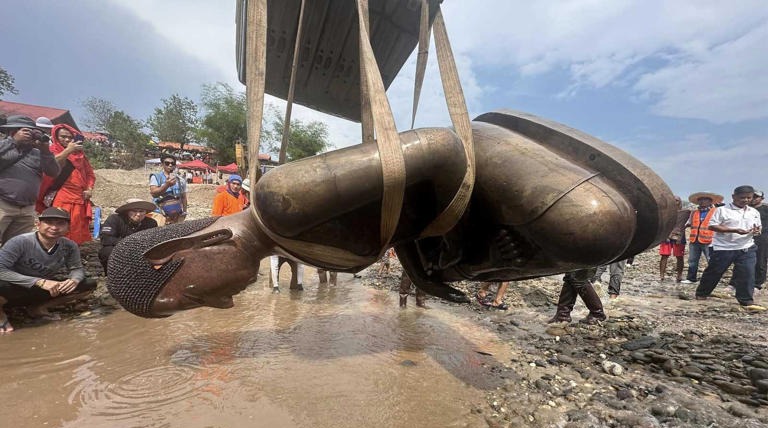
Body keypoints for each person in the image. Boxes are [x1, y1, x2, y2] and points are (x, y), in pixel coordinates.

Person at [105, 112, 676, 319]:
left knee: (592, 229)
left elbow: (439, 147)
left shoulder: (281, 200)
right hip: (464, 207)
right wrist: (436, 269)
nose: (226, 302)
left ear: (175, 253)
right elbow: (396, 225)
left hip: (486, 152)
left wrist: (466, 247)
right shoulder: (287, 241)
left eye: (199, 296)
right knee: (470, 272)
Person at [0, 208, 97, 332]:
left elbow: (76, 268)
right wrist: (39, 281)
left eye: (60, 223)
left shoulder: (69, 246)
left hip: (42, 289)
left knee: (88, 284)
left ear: (68, 227)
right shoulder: (20, 242)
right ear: (38, 224)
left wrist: (74, 279)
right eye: (49, 222)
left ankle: (38, 308)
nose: (54, 227)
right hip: (13, 287)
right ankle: (1, 315)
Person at [695, 186, 763, 310]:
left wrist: (756, 231)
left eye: (749, 197)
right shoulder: (722, 210)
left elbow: (758, 228)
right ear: (733, 196)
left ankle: (746, 300)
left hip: (746, 247)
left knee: (747, 272)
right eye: (742, 197)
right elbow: (712, 226)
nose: (746, 200)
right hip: (724, 248)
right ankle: (702, 293)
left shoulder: (754, 212)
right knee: (714, 271)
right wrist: (734, 230)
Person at [0, 115, 61, 245]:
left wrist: (45, 151)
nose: (29, 135)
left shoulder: (37, 153)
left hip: (26, 208)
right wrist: (13, 141)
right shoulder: (4, 146)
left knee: (15, 247)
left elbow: (54, 172)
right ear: (12, 131)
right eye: (24, 131)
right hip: (3, 204)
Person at [36, 124, 96, 245]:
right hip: (61, 196)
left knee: (76, 226)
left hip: (79, 197)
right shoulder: (51, 151)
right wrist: (68, 151)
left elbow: (90, 174)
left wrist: (89, 188)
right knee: (59, 225)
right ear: (56, 137)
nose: (67, 140)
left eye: (70, 137)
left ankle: (72, 251)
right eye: (63, 137)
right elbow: (50, 165)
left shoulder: (80, 155)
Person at [98, 199, 158, 274]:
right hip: (120, 249)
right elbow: (106, 239)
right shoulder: (114, 219)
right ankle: (112, 276)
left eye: (141, 211)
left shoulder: (151, 223)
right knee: (106, 251)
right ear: (127, 211)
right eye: (134, 211)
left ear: (146, 212)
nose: (138, 214)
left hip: (142, 251)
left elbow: (154, 241)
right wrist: (129, 244)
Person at [681, 192, 723, 284]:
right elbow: (688, 223)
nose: (702, 202)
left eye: (705, 200)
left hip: (709, 240)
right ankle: (691, 278)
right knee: (692, 260)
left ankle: (713, 279)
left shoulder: (715, 212)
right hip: (694, 240)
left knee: (711, 260)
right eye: (700, 200)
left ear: (710, 201)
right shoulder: (694, 212)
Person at [659, 196, 691, 283]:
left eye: (676, 200)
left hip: (679, 236)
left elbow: (690, 222)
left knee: (679, 256)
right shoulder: (666, 213)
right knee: (664, 256)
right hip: (666, 236)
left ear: (679, 202)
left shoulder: (686, 213)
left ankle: (679, 275)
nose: (674, 202)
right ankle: (661, 275)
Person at [149, 154, 188, 225]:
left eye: (172, 163)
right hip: (159, 214)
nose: (170, 165)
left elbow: (183, 197)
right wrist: (167, 185)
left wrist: (184, 211)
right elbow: (153, 193)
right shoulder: (156, 177)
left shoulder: (181, 180)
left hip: (176, 215)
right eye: (167, 163)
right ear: (162, 164)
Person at [751, 191, 768, 291]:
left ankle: (759, 282)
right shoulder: (747, 209)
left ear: (761, 198)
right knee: (744, 259)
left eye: (756, 197)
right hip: (747, 237)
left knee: (761, 260)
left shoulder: (765, 209)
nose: (753, 199)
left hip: (763, 237)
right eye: (752, 196)